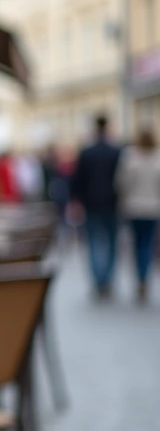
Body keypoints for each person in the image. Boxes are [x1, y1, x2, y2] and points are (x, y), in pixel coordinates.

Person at [70, 114, 122, 298]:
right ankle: (106, 279)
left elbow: (77, 179)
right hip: (112, 204)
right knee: (112, 244)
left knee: (92, 243)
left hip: (90, 203)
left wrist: (76, 201)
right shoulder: (116, 151)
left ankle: (98, 279)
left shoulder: (87, 151)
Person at [115, 128, 160, 302]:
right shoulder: (157, 156)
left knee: (136, 243)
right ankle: (143, 278)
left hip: (133, 207)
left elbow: (122, 182)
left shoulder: (130, 156)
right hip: (152, 208)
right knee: (147, 244)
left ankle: (140, 277)